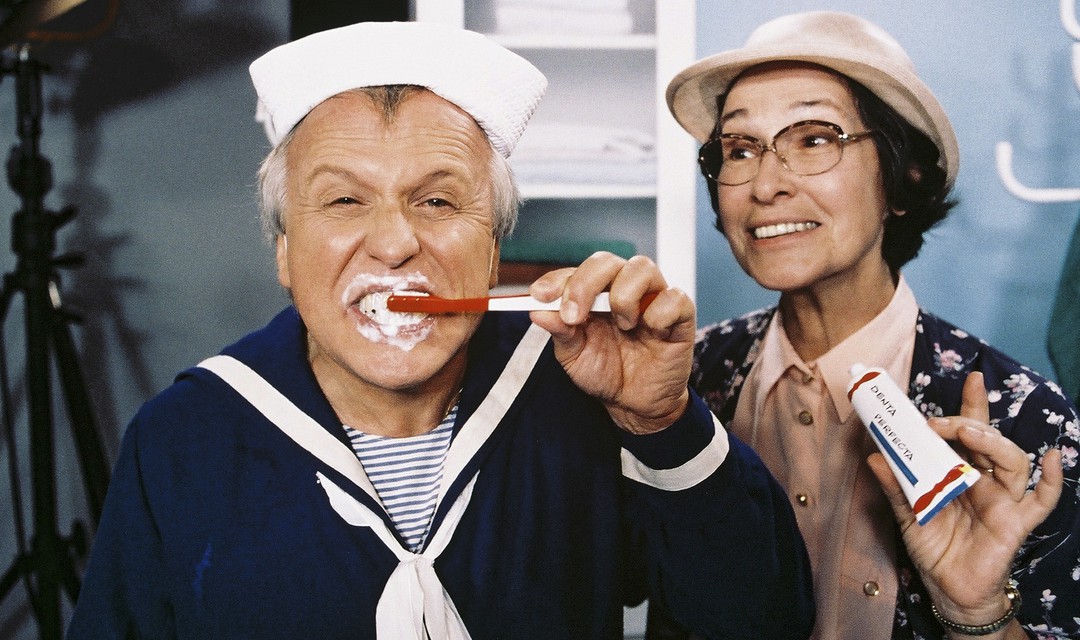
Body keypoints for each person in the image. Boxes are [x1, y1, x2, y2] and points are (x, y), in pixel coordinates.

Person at [65, 20, 815, 640]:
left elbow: (764, 621)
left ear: (493, 249)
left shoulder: (583, 403)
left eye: (436, 202)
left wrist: (662, 423)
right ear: (285, 252)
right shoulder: (182, 440)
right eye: (344, 202)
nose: (393, 244)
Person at [651, 10, 1080, 640]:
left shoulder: (1025, 424)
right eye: (740, 150)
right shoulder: (678, 386)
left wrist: (977, 612)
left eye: (815, 138)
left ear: (903, 179)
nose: (766, 184)